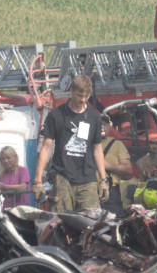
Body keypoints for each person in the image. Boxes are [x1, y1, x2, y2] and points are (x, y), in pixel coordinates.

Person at [34, 75, 109, 212]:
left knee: (92, 221)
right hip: (62, 175)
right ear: (71, 91)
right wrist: (38, 180)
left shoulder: (95, 118)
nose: (83, 100)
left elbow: (98, 150)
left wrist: (103, 180)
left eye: (86, 96)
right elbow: (46, 147)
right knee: (61, 221)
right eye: (80, 95)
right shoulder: (56, 115)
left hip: (87, 178)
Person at [99, 115, 132, 214]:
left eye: (104, 125)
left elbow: (128, 169)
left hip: (110, 192)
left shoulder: (117, 144)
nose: (101, 127)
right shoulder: (86, 145)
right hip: (89, 191)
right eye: (98, 125)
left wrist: (107, 165)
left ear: (109, 127)